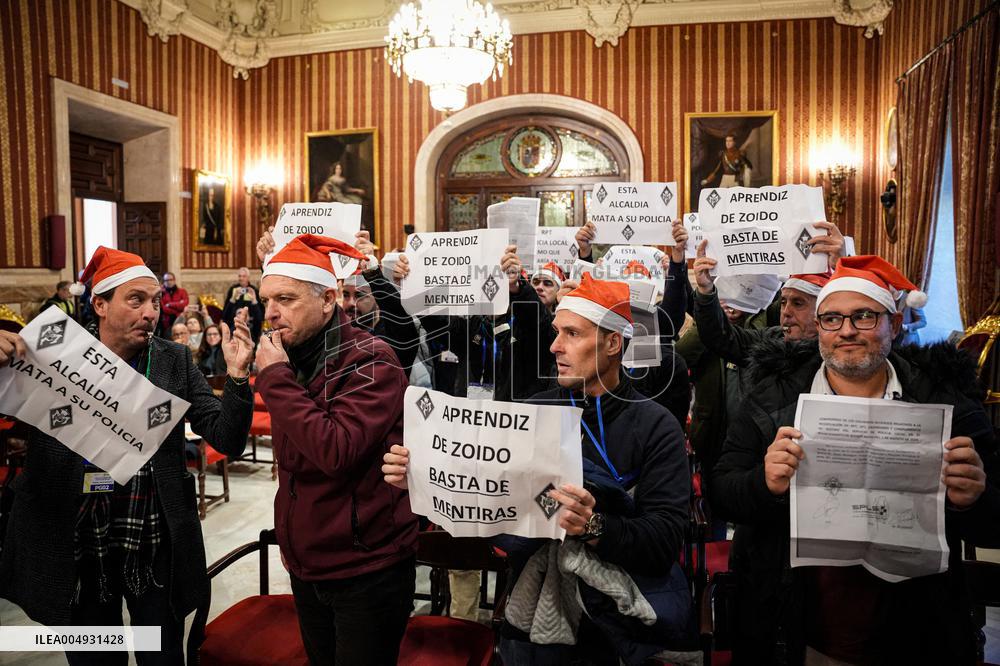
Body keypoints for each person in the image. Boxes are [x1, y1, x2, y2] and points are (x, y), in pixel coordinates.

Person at [384, 274, 692, 663]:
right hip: (533, 619)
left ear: (613, 343)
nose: (554, 345)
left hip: (616, 626)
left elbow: (663, 542)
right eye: (556, 331)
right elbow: (483, 501)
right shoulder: (531, 413)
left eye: (572, 334)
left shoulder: (656, 426)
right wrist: (422, 476)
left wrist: (594, 527)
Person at [710, 255, 999, 664]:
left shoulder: (945, 402)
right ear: (819, 328)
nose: (846, 330)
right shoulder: (772, 397)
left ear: (893, 325)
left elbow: (993, 524)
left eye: (864, 316)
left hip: (917, 630)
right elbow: (721, 493)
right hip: (797, 628)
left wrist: (971, 499)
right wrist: (764, 483)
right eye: (832, 319)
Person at [0, 246, 255, 665]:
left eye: (154, 301)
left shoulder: (173, 360)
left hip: (152, 540)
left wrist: (239, 378)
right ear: (100, 304)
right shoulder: (50, 355)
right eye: (136, 300)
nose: (151, 312)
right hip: (81, 543)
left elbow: (226, 437)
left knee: (160, 654)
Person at [254, 234, 418, 665]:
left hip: (366, 569)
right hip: (307, 563)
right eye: (267, 300)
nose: (270, 313)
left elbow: (335, 450)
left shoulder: (372, 360)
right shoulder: (292, 354)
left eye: (285, 299)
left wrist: (274, 379)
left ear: (328, 299)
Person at [222, 267, 264, 341]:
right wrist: (233, 298)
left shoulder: (253, 290)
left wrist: (254, 300)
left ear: (248, 277)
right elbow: (225, 313)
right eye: (239, 276)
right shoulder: (233, 289)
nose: (241, 278)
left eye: (244, 276)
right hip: (234, 322)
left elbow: (260, 315)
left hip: (251, 323)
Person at [159, 272, 188, 337]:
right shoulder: (161, 293)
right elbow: (164, 309)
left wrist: (169, 304)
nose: (169, 282)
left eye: (170, 280)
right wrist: (179, 308)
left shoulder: (182, 291)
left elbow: (184, 304)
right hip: (166, 323)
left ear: (174, 280)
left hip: (181, 320)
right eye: (166, 280)